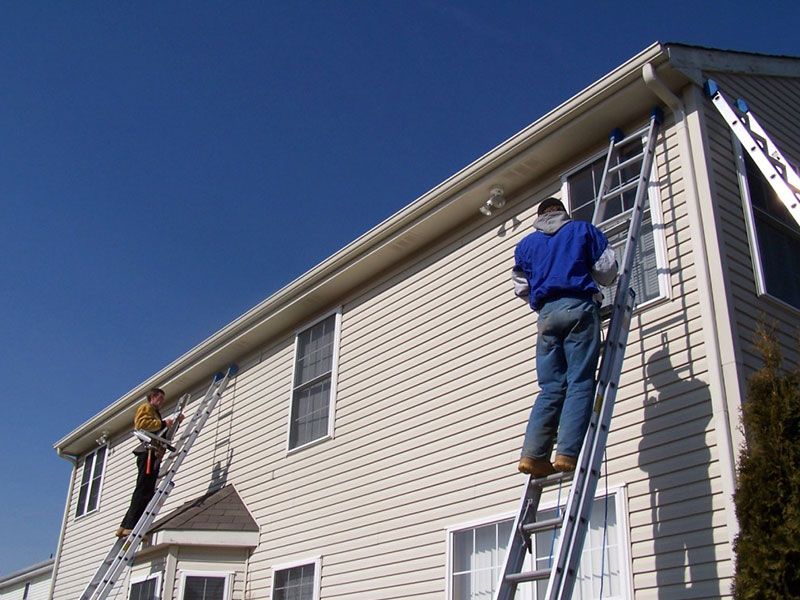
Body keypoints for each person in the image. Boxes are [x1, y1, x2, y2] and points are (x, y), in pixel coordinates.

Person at [512, 197, 618, 477]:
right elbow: (607, 272)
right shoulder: (582, 231)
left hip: (546, 316)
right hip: (578, 307)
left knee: (550, 387)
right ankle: (567, 454)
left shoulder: (525, 246)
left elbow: (521, 288)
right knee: (580, 381)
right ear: (563, 212)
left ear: (540, 216)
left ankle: (532, 456)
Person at [116, 387, 183, 537]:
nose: (162, 402)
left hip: (152, 453)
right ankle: (131, 526)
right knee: (144, 490)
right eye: (160, 398)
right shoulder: (146, 408)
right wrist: (164, 423)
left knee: (143, 489)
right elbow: (142, 424)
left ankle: (124, 526)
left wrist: (174, 423)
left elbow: (161, 434)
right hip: (148, 453)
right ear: (152, 397)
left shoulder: (154, 413)